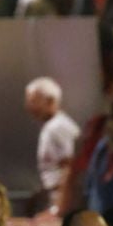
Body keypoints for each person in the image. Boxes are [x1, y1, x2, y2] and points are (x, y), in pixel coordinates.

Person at [26, 77, 81, 208]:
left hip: (61, 201)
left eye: (34, 101)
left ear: (50, 101)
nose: (28, 107)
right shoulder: (52, 126)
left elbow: (69, 168)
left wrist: (58, 207)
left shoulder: (58, 127)